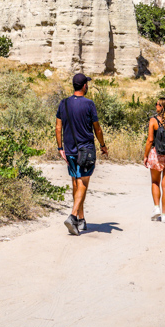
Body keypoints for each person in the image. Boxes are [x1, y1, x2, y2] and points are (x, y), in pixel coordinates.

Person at [56, 73, 108, 235]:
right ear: (84, 86)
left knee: (76, 183)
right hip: (85, 149)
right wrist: (103, 145)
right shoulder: (89, 104)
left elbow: (58, 128)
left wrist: (60, 148)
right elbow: (97, 128)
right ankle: (72, 216)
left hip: (70, 149)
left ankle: (81, 219)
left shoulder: (63, 104)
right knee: (83, 183)